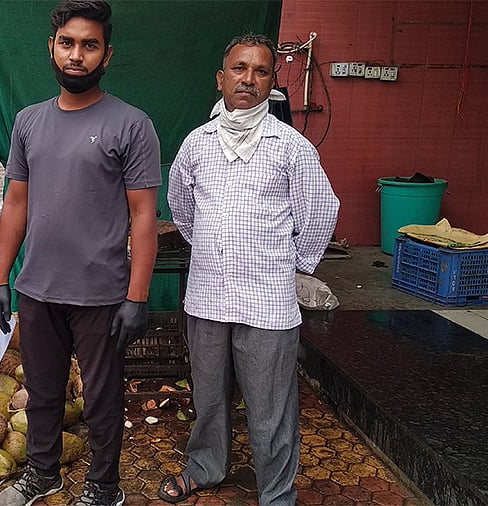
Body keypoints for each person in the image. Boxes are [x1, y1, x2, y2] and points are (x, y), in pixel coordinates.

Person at [0, 1, 161, 505]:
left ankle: (104, 488)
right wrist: (2, 279)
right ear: (52, 48)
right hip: (38, 289)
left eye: (90, 46)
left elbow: (144, 216)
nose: (77, 55)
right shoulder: (28, 122)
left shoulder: (131, 124)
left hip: (101, 293)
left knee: (103, 399)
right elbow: (15, 203)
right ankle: (44, 474)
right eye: (68, 43)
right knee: (43, 394)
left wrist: (138, 296)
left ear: (107, 56)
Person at [161, 34, 339, 505]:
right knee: (210, 398)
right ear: (221, 79)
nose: (248, 79)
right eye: (239, 69)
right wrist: (213, 248)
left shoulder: (290, 147)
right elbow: (181, 205)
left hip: (268, 301)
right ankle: (207, 466)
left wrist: (291, 267)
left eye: (261, 71)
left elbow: (321, 211)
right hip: (207, 295)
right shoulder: (197, 144)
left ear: (271, 83)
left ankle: (277, 494)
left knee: (271, 409)